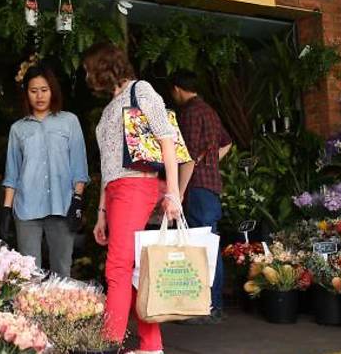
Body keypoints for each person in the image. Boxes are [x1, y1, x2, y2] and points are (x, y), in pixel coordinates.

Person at [83, 42, 183, 354]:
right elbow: (107, 164)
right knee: (134, 269)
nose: (87, 75)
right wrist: (100, 211)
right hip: (115, 191)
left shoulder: (141, 90)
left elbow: (167, 139)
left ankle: (108, 345)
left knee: (118, 267)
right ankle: (151, 346)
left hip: (136, 186)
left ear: (102, 67)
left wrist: (173, 193)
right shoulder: (110, 106)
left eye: (89, 69)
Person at [0, 64, 89, 277]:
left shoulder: (69, 122)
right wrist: (5, 209)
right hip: (27, 208)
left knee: (62, 269)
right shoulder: (18, 129)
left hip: (62, 206)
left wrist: (77, 200)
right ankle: (30, 311)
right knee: (29, 273)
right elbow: (12, 173)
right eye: (33, 91)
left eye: (44, 90)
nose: (39, 96)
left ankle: (59, 311)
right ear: (26, 94)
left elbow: (79, 167)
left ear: (53, 91)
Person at [171, 73, 232, 324]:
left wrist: (179, 191)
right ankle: (213, 305)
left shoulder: (189, 113)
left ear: (177, 89)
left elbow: (188, 155)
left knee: (199, 247)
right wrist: (211, 162)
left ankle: (204, 307)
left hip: (196, 187)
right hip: (212, 187)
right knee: (210, 244)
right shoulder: (210, 111)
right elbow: (227, 143)